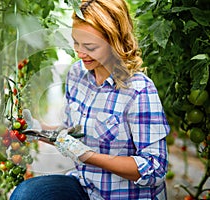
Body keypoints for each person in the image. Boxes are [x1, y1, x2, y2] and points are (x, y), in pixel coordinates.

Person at [10, 0, 170, 199]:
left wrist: (89, 156)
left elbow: (156, 169)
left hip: (124, 195)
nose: (80, 53)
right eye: (76, 42)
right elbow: (72, 134)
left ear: (114, 41)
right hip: (86, 187)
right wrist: (37, 129)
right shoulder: (78, 73)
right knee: (26, 194)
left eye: (90, 46)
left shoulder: (139, 91)